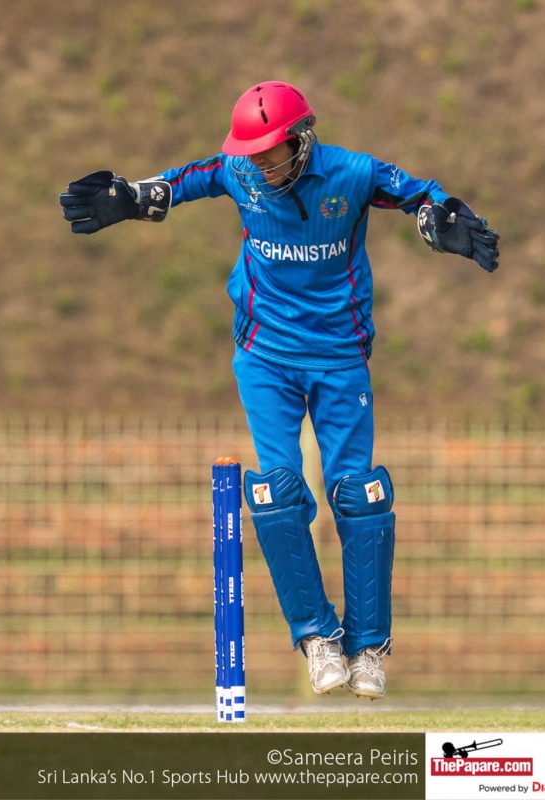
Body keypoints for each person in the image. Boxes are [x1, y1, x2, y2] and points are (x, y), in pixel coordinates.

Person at [60, 81, 498, 699]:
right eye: (252, 155)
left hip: (340, 353)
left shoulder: (351, 174)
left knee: (361, 495)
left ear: (301, 139)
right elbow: (181, 182)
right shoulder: (239, 171)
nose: (261, 167)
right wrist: (132, 196)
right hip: (264, 353)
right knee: (275, 492)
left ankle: (368, 649)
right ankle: (318, 638)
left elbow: (418, 193)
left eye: (270, 154)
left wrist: (438, 216)